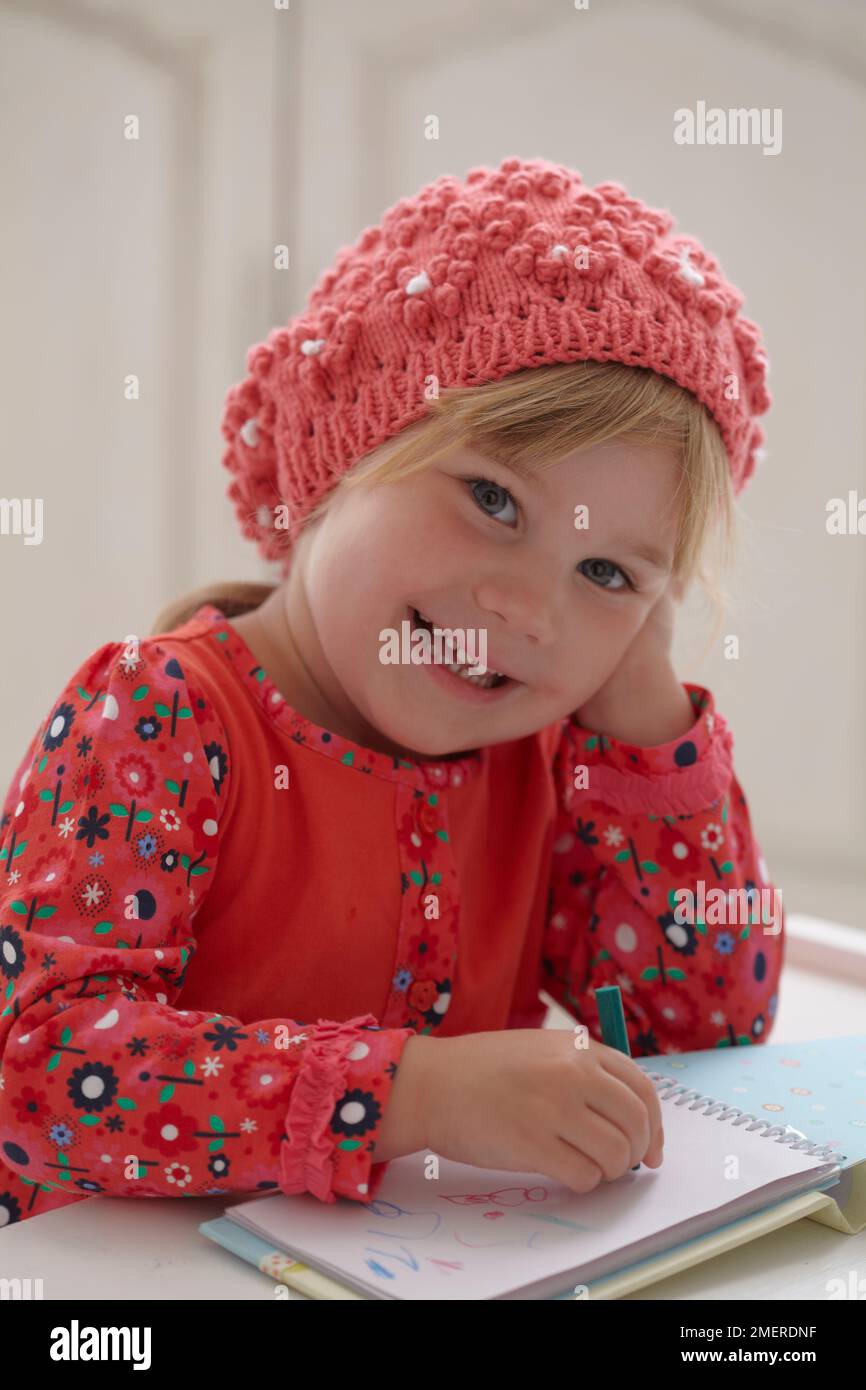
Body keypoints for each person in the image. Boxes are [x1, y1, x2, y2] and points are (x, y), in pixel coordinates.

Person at [0, 157, 779, 1229]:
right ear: (341, 453)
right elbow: (40, 1072)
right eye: (493, 498)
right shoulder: (154, 713)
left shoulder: (551, 759)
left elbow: (708, 1032)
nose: (525, 609)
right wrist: (413, 1093)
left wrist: (637, 703)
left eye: (606, 572)